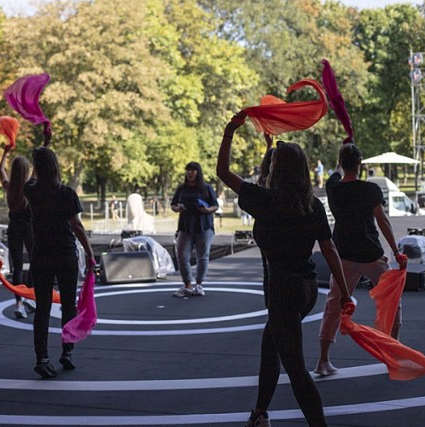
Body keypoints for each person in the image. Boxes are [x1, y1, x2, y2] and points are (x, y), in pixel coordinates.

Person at [217, 111, 351, 427]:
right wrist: (344, 292)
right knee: (271, 347)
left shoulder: (265, 200)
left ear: (276, 169)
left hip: (282, 289)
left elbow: (223, 171)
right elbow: (329, 250)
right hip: (306, 290)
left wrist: (229, 132)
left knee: (295, 368)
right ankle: (259, 413)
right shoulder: (312, 205)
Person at [315, 143, 407, 376]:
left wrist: (343, 150)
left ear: (341, 162)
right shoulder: (370, 189)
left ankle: (323, 361)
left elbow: (336, 172)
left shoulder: (333, 188)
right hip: (370, 254)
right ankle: (392, 353)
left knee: (333, 305)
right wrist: (396, 251)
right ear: (359, 164)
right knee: (391, 301)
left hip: (343, 256)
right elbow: (382, 221)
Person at [23, 144, 94, 378]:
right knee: (68, 304)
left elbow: (32, 179)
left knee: (42, 308)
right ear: (56, 167)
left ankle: (41, 358)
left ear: (37, 169)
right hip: (65, 254)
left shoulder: (31, 191)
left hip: (41, 254)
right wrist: (90, 253)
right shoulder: (66, 194)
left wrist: (39, 156)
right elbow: (77, 225)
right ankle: (67, 350)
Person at [170, 162, 218, 297]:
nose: (190, 173)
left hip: (204, 225)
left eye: (193, 170)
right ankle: (187, 285)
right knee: (182, 256)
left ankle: (199, 284)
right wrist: (178, 208)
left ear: (198, 172)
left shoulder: (207, 188)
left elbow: (215, 205)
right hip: (185, 226)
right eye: (188, 171)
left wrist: (207, 210)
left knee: (203, 256)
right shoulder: (182, 188)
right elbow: (173, 205)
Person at [0, 146, 34, 319]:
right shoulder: (29, 186)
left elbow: (0, 169)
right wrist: (45, 143)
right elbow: (39, 166)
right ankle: (30, 295)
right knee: (35, 262)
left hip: (14, 228)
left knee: (17, 266)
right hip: (29, 228)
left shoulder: (8, 186)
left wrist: (5, 152)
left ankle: (19, 303)